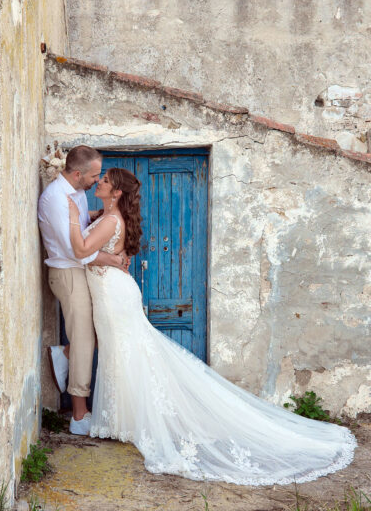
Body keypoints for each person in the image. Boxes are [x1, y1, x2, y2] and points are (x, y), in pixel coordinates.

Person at [66, 166, 356, 485]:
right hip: (114, 293)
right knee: (122, 353)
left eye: (105, 181)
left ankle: (129, 422)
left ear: (117, 192)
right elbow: (97, 252)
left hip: (113, 296)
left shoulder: (110, 221)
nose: (99, 183)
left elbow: (81, 251)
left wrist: (71, 218)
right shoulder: (110, 217)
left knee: (124, 352)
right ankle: (124, 421)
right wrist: (111, 255)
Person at [38, 145, 128, 435]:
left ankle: (65, 353)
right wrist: (114, 259)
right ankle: (79, 415)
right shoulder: (55, 198)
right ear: (78, 174)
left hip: (82, 273)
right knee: (84, 339)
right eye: (95, 175)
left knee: (103, 331)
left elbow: (79, 225)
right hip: (68, 274)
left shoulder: (75, 191)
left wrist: (100, 213)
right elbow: (78, 252)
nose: (97, 180)